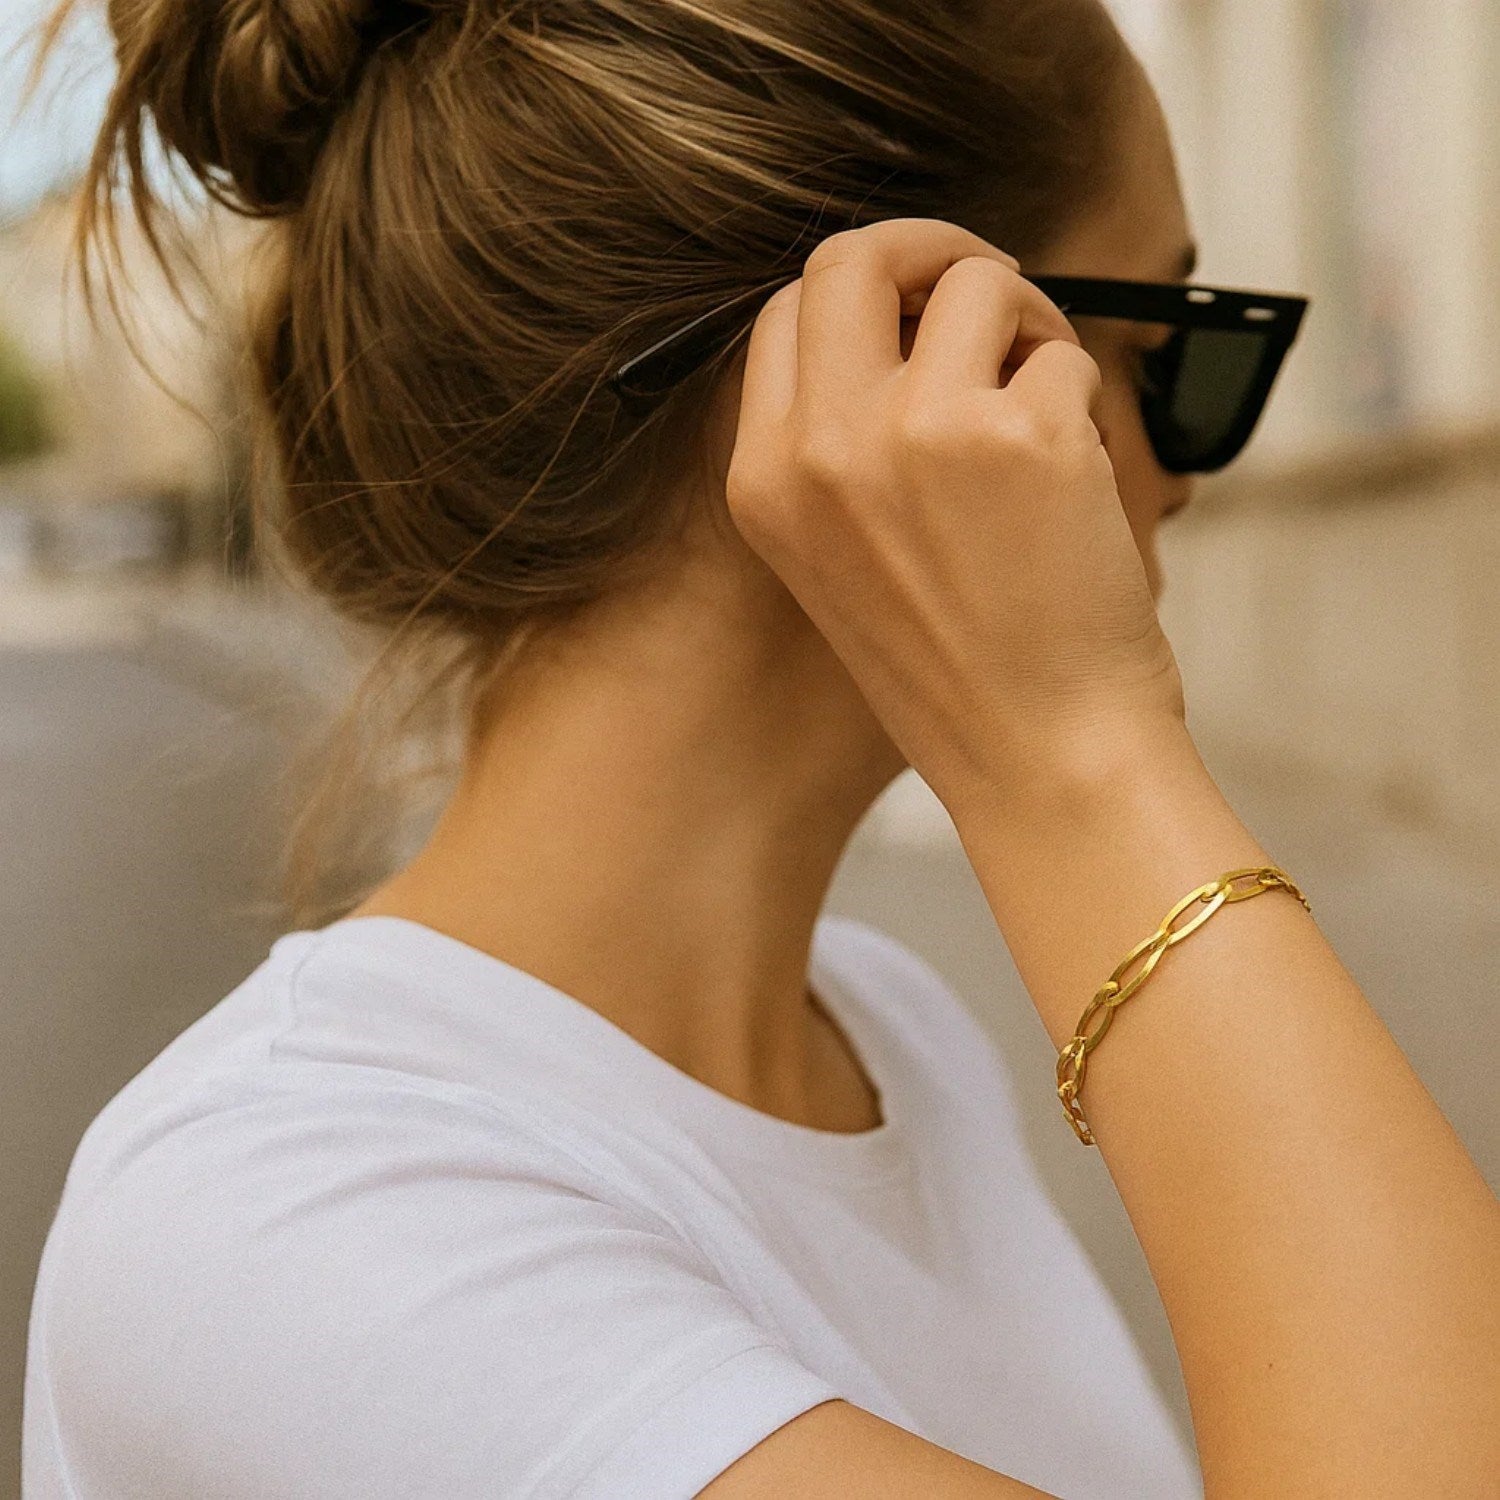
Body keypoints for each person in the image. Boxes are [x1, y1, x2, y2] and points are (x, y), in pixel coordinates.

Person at [22, 1, 1498, 1496]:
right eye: (1162, 348)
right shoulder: (284, 1231)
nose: (1184, 474)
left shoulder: (887, 1033)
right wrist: (1079, 753)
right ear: (887, 357)